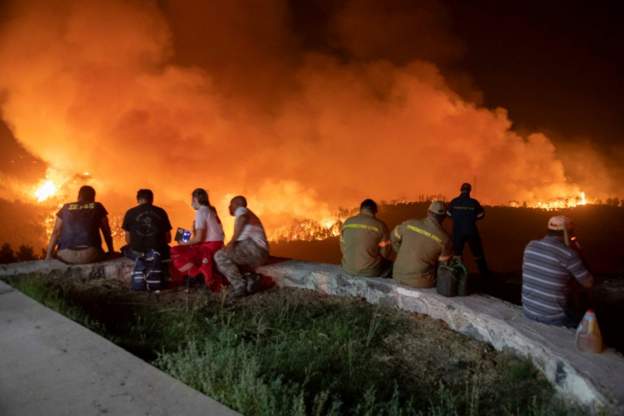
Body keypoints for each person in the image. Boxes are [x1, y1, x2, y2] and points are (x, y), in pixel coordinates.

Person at [521, 215, 594, 327]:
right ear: (567, 233)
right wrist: (579, 253)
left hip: (528, 311)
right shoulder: (568, 254)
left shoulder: (530, 246)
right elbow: (588, 283)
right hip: (552, 318)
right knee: (589, 319)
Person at [214, 195, 269, 298]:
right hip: (259, 253)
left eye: (231, 204)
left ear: (237, 204)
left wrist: (233, 241)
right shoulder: (250, 214)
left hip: (254, 249)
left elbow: (243, 218)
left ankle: (239, 286)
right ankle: (251, 279)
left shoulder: (242, 210)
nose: (229, 207)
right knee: (229, 257)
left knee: (220, 255)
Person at [170, 188, 225, 290]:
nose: (191, 204)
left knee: (174, 250)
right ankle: (195, 275)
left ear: (195, 199)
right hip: (217, 244)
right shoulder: (211, 211)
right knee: (189, 248)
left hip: (209, 246)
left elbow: (199, 239)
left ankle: (197, 275)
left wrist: (183, 244)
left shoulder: (201, 211)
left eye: (192, 200)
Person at [45, 185, 114, 264]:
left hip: (66, 255)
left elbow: (56, 232)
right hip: (90, 254)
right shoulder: (97, 206)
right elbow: (106, 232)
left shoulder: (65, 207)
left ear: (78, 196)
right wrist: (111, 251)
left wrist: (48, 255)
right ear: (93, 197)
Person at [391, 201, 452, 288]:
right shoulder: (445, 239)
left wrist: (401, 252)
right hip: (421, 282)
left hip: (397, 275)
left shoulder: (409, 224)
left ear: (428, 212)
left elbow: (392, 237)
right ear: (444, 217)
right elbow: (443, 267)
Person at [447, 183, 489, 278]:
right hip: (471, 231)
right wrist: (471, 218)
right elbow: (481, 215)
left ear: (460, 190)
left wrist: (458, 218)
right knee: (477, 254)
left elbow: (449, 214)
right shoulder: (474, 202)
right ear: (470, 191)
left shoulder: (454, 201)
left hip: (457, 232)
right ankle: (484, 275)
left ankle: (456, 275)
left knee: (457, 254)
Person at [340, 199, 392, 277]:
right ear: (375, 211)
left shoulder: (347, 223)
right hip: (369, 272)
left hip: (347, 268)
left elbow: (343, 248)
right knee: (391, 266)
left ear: (360, 209)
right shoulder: (380, 226)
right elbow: (385, 253)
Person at [121, 189, 172, 259]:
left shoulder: (130, 213)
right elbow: (168, 239)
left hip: (137, 253)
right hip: (159, 251)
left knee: (124, 249)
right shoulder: (161, 211)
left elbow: (128, 240)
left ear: (138, 200)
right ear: (152, 199)